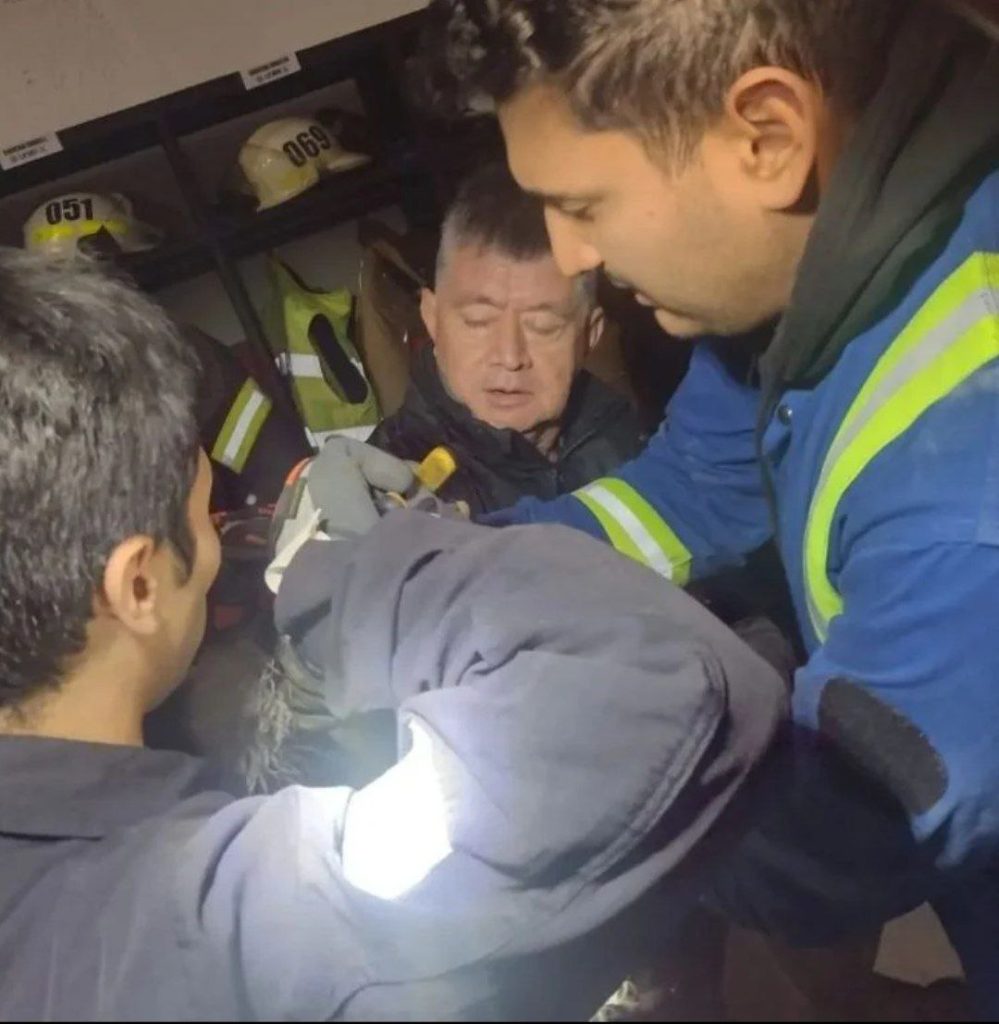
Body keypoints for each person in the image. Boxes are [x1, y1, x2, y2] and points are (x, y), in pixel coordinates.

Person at [0, 249, 785, 1020]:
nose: (219, 546)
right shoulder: (234, 922)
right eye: (205, 519)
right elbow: (666, 685)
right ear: (138, 585)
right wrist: (356, 574)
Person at [409, 0, 999, 1014]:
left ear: (765, 138)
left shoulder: (966, 491)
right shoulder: (814, 270)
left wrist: (529, 797)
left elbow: (828, 847)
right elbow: (693, 487)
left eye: (584, 205)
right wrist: (452, 570)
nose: (572, 253)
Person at [369, 162, 643, 515]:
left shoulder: (636, 444)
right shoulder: (390, 499)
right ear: (432, 319)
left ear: (590, 335)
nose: (510, 356)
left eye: (542, 326)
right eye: (479, 322)